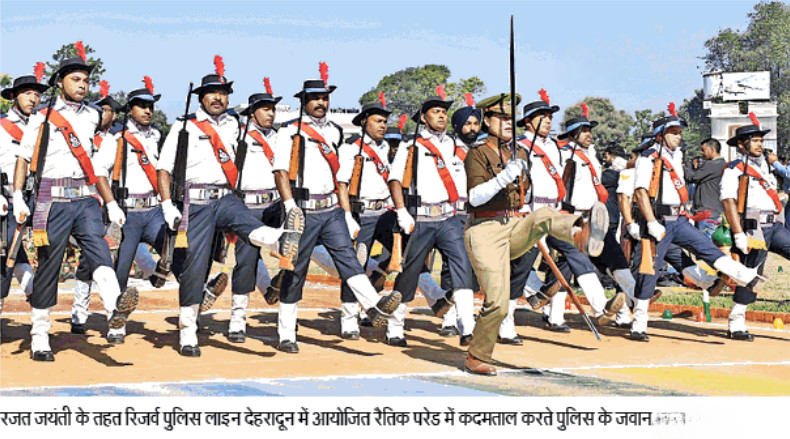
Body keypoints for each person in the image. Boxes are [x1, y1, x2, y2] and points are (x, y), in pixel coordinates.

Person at [157, 61, 287, 357]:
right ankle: (188, 332)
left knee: (246, 220)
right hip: (195, 202)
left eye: (223, 93)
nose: (218, 98)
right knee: (194, 268)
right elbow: (163, 169)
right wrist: (167, 205)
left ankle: (276, 238)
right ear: (201, 97)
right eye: (212, 93)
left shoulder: (236, 126)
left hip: (226, 197)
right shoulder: (184, 126)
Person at [14, 55, 137, 361]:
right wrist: (17, 195)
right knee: (49, 265)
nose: (82, 85)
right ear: (60, 82)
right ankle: (40, 336)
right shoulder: (42, 116)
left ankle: (115, 306)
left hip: (85, 198)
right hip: (51, 198)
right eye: (75, 79)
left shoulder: (93, 115)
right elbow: (23, 158)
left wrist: (110, 202)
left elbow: (96, 157)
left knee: (99, 247)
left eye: (85, 80)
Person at [269, 73, 401, 353]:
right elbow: (280, 171)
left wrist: (346, 214)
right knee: (295, 271)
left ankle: (373, 306)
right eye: (315, 98)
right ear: (304, 102)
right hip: (302, 209)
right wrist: (289, 206)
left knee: (349, 259)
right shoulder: (288, 131)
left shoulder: (335, 132)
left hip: (331, 210)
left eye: (325, 98)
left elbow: (340, 176)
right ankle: (286, 333)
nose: (321, 103)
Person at [463, 93, 590, 375]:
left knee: (543, 215)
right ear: (487, 121)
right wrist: (504, 177)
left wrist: (520, 178)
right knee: (497, 303)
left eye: (511, 118)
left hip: (513, 223)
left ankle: (580, 231)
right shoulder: (478, 153)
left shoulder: (520, 152)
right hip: (484, 230)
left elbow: (526, 195)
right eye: (501, 118)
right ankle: (476, 356)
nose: (509, 123)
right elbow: (475, 197)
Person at [629, 107, 763, 341]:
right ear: (660, 135)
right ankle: (639, 323)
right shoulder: (647, 157)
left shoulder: (676, 156)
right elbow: (640, 192)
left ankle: (743, 275)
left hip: (680, 219)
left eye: (679, 132)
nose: (678, 136)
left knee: (706, 247)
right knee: (649, 269)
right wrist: (650, 222)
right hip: (658, 220)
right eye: (673, 132)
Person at [516, 93, 623, 332]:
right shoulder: (519, 146)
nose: (548, 120)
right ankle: (536, 294)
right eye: (542, 116)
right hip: (530, 211)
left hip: (555, 211)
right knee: (522, 262)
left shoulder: (555, 147)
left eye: (549, 116)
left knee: (575, 253)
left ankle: (600, 306)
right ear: (528, 121)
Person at [386, 89, 476, 347]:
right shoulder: (410, 145)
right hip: (421, 217)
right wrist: (401, 211)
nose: (442, 116)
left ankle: (467, 327)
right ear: (424, 117)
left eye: (444, 112)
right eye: (436, 112)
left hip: (449, 217)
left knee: (462, 268)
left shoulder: (454, 145)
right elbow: (395, 180)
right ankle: (395, 327)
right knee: (410, 273)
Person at [92, 80, 166, 343]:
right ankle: (116, 323)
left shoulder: (157, 136)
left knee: (178, 251)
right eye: (142, 106)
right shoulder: (117, 138)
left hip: (154, 208)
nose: (148, 111)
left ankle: (187, 298)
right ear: (130, 110)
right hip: (128, 211)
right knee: (121, 270)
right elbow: (99, 172)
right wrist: (111, 204)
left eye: (150, 106)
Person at [226, 85, 289, 343]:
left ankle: (282, 308)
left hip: (275, 204)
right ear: (252, 113)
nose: (270, 114)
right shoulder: (239, 135)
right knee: (246, 261)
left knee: (293, 250)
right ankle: (237, 319)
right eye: (265, 109)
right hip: (247, 205)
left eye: (273, 109)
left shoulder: (280, 137)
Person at [720, 116, 787, 341]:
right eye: (755, 140)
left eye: (760, 140)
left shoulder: (765, 166)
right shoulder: (734, 169)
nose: (760, 144)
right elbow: (728, 201)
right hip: (753, 227)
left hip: (774, 224)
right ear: (741, 144)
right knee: (750, 273)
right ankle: (736, 321)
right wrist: (738, 233)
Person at [0, 70, 45, 317]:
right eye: (27, 93)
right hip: (6, 199)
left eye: (36, 94)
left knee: (31, 248)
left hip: (37, 198)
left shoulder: (42, 127)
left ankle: (35, 293)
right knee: (6, 249)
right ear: (14, 96)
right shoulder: (2, 127)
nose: (33, 99)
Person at [684, 138, 725, 239]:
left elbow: (693, 177)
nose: (701, 153)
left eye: (703, 150)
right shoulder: (721, 164)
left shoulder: (713, 164)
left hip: (707, 215)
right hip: (711, 213)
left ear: (712, 149)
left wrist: (681, 164)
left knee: (704, 245)